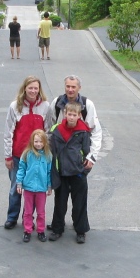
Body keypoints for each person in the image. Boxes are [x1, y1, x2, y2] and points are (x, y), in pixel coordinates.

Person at [2, 76, 51, 230]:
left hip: (37, 157)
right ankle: (12, 217)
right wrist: (8, 155)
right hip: (18, 156)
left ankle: (27, 219)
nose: (33, 91)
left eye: (36, 88)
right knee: (15, 188)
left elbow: (48, 131)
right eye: (30, 88)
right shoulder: (14, 106)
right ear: (24, 88)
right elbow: (8, 132)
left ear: (39, 89)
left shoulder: (45, 106)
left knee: (34, 190)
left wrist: (46, 154)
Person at [48, 102, 93, 244]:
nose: (71, 117)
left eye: (74, 115)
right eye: (69, 114)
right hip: (61, 173)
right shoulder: (56, 130)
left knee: (79, 203)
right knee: (59, 203)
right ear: (65, 114)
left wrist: (84, 170)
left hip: (77, 173)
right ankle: (57, 229)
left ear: (79, 116)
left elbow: (87, 152)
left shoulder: (84, 131)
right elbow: (51, 151)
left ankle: (81, 231)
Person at [15, 128, 52, 242]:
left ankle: (40, 230)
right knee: (28, 211)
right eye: (36, 141)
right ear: (32, 141)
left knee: (41, 211)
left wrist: (49, 186)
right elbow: (21, 169)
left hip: (41, 188)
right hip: (29, 188)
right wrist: (19, 183)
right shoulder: (27, 154)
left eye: (41, 141)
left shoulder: (48, 155)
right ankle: (27, 230)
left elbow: (49, 172)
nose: (38, 144)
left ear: (45, 142)